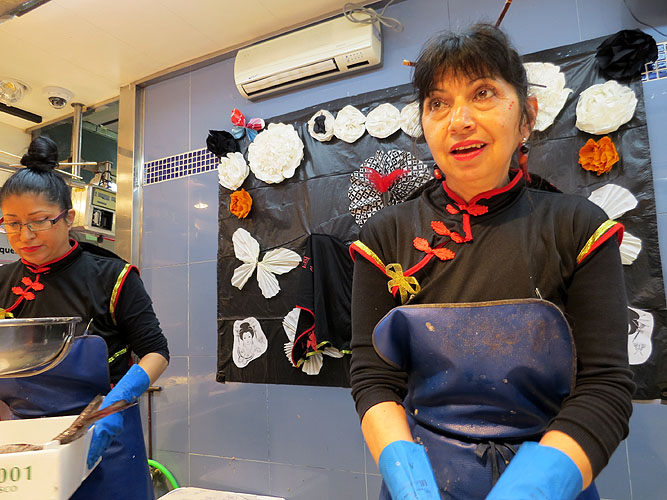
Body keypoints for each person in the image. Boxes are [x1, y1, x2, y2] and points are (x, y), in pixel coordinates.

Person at [349, 24, 634, 500]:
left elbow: (605, 386)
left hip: (554, 471)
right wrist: (405, 475)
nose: (458, 120)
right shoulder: (385, 235)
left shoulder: (579, 227)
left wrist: (536, 487)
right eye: (438, 103)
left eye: (483, 93)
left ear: (527, 117)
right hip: (422, 475)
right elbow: (373, 376)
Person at [0, 136, 169, 500]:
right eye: (12, 223)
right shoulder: (1, 282)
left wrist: (115, 404)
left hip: (105, 439)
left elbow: (156, 352)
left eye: (39, 221)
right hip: (26, 447)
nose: (25, 236)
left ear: (68, 218)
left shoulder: (112, 276)